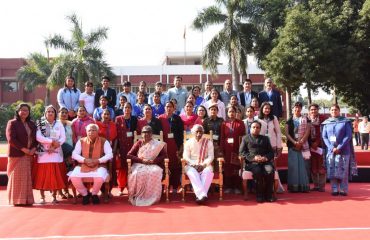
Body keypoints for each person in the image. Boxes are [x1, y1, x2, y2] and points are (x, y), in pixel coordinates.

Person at [70, 123, 113, 205]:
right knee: (73, 176)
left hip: (99, 165)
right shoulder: (81, 141)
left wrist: (98, 161)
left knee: (100, 176)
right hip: (84, 164)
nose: (91, 132)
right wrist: (84, 160)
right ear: (86, 132)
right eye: (89, 130)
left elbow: (110, 154)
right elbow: (74, 154)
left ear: (98, 131)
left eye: (94, 130)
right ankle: (85, 194)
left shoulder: (104, 141)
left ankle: (94, 194)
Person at [126, 126, 167, 206]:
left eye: (148, 132)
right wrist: (141, 160)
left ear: (151, 134)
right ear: (141, 134)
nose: (146, 134)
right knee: (137, 174)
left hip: (153, 164)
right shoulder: (139, 143)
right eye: (144, 132)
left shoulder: (157, 144)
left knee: (155, 172)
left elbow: (164, 155)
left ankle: (152, 196)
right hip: (140, 164)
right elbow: (129, 155)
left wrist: (153, 161)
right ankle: (138, 196)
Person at [322, 104, 357, 196]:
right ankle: (334, 189)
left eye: (336, 110)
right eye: (332, 110)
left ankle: (343, 189)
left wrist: (339, 147)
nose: (334, 111)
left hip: (344, 150)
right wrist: (331, 147)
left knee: (343, 170)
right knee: (331, 170)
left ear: (339, 111)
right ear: (330, 111)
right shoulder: (326, 123)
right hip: (331, 151)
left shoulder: (345, 122)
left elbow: (348, 135)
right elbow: (324, 137)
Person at [6, 103, 37, 206]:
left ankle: (27, 199)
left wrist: (33, 149)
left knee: (26, 177)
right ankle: (17, 200)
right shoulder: (12, 123)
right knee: (16, 177)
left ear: (29, 113)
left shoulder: (32, 124)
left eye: (26, 110)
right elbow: (11, 139)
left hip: (29, 154)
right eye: (22, 110)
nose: (24, 112)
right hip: (17, 154)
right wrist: (24, 149)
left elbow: (36, 138)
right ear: (18, 111)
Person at [34, 105, 66, 204]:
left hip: (56, 153)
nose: (50, 113)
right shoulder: (40, 123)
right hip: (44, 153)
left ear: (55, 113)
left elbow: (63, 138)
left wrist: (55, 146)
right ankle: (42, 197)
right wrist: (51, 141)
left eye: (52, 111)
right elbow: (38, 137)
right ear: (45, 113)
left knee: (55, 176)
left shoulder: (59, 124)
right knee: (42, 177)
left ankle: (54, 196)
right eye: (48, 111)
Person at [239, 121, 275, 202]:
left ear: (260, 129)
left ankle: (269, 195)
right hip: (252, 163)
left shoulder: (265, 138)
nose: (255, 129)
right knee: (258, 171)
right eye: (253, 127)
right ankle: (260, 195)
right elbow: (241, 153)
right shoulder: (245, 138)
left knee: (270, 171)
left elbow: (271, 152)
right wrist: (254, 158)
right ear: (250, 128)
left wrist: (265, 158)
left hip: (264, 161)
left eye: (257, 127)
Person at [183, 125, 214, 204]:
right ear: (193, 132)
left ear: (203, 132)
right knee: (192, 173)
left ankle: (200, 196)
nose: (199, 134)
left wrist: (203, 165)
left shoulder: (208, 142)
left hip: (205, 164)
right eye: (197, 132)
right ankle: (203, 195)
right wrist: (194, 164)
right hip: (191, 165)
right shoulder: (188, 142)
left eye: (201, 132)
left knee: (208, 172)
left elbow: (211, 156)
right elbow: (185, 156)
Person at [158, 101, 184, 193]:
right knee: (165, 164)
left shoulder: (177, 118)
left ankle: (175, 186)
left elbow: (181, 133)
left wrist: (180, 146)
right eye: (167, 106)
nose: (168, 108)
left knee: (175, 165)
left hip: (175, 144)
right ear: (164, 108)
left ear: (173, 108)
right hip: (164, 145)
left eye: (170, 107)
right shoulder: (160, 118)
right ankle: (166, 185)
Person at [285, 102, 311, 193]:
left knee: (304, 166)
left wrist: (301, 141)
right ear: (292, 109)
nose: (297, 109)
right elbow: (287, 133)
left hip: (303, 145)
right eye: (295, 107)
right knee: (293, 166)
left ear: (301, 109)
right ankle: (294, 187)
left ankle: (304, 186)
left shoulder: (306, 119)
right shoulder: (289, 120)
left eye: (299, 107)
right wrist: (294, 142)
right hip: (292, 146)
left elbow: (308, 131)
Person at [220, 106, 246, 194]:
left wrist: (242, 150)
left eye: (233, 112)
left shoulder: (241, 123)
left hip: (237, 149)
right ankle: (228, 187)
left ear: (236, 113)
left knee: (237, 168)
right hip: (227, 150)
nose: (231, 113)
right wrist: (221, 150)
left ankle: (237, 187)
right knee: (228, 168)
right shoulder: (224, 124)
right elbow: (222, 138)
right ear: (227, 113)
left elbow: (244, 137)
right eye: (230, 112)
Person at [115, 103, 138, 195]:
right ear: (122, 108)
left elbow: (137, 132)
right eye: (125, 107)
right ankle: (121, 188)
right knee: (122, 168)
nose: (127, 109)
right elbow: (116, 135)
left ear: (131, 109)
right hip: (122, 147)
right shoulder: (118, 119)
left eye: (129, 107)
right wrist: (116, 149)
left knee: (132, 168)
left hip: (132, 147)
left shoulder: (134, 119)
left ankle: (131, 188)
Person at [308, 103, 326, 192]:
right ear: (309, 111)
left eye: (315, 109)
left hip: (321, 145)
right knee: (313, 165)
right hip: (310, 145)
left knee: (321, 165)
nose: (313, 111)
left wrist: (317, 142)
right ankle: (315, 185)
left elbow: (324, 132)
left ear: (318, 110)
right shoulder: (307, 119)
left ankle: (322, 186)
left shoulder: (323, 119)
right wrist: (311, 143)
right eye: (311, 110)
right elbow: (305, 132)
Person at [58, 107, 74, 199]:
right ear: (58, 113)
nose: (64, 114)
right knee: (60, 172)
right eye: (62, 112)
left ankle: (67, 191)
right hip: (59, 152)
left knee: (68, 172)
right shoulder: (55, 124)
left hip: (69, 152)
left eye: (65, 113)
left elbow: (73, 137)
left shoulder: (70, 124)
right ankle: (59, 192)